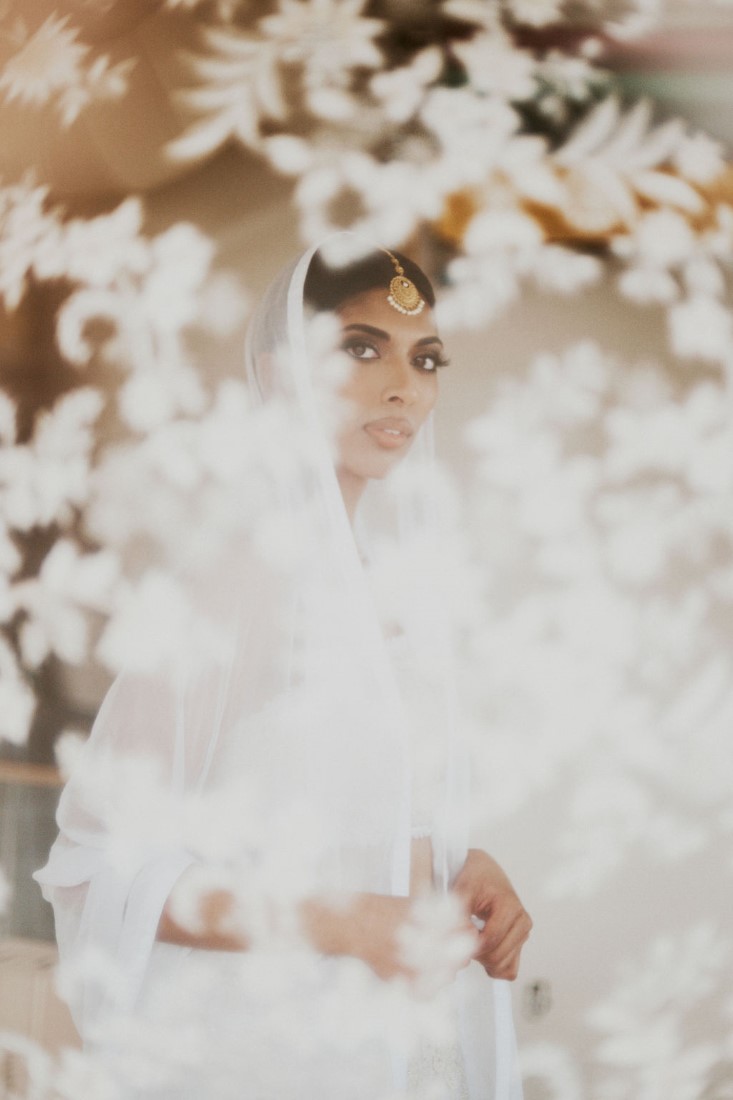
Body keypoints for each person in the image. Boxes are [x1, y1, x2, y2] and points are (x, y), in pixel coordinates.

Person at [35, 236, 531, 1099]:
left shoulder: (398, 596)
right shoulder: (234, 588)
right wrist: (347, 922)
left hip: (411, 1042)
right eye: (360, 347)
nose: (401, 386)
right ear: (277, 374)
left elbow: (361, 816)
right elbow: (96, 863)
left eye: (424, 359)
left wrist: (461, 865)